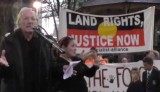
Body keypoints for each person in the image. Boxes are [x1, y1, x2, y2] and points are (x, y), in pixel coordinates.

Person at [0, 7, 55, 92]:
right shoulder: (8, 42)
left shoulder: (44, 42)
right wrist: (2, 66)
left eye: (33, 19)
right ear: (19, 23)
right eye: (26, 18)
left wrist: (62, 69)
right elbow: (4, 75)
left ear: (36, 23)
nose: (30, 22)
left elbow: (52, 66)